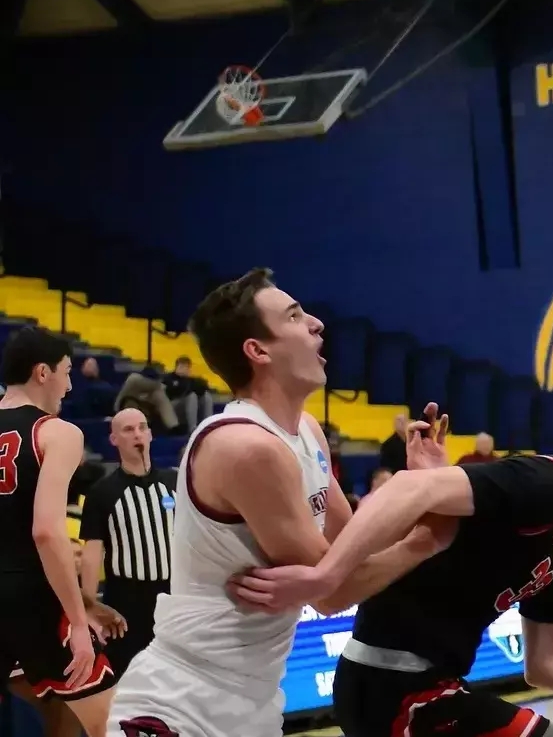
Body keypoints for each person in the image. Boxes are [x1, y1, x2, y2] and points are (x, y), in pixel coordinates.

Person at [230, 384, 553, 733]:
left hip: (419, 687)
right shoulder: (544, 482)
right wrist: (326, 574)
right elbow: (409, 486)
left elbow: (548, 663)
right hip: (394, 686)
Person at [109, 270, 448, 737]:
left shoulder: (308, 432)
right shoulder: (246, 446)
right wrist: (427, 540)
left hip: (255, 698)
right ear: (258, 350)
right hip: (183, 699)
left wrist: (420, 487)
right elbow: (332, 590)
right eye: (294, 315)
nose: (316, 324)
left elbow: (355, 544)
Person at [0, 328, 117, 735]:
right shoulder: (57, 432)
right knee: (111, 723)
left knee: (57, 720)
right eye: (67, 372)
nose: (70, 386)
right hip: (34, 597)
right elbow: (47, 533)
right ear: (42, 373)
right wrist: (79, 620)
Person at [80, 409, 177, 681]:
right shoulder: (102, 492)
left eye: (142, 427)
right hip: (127, 602)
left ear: (150, 434)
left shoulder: (173, 482)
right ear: (113, 439)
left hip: (173, 596)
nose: (137, 434)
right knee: (130, 679)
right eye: (128, 429)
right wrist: (89, 609)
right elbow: (91, 554)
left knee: (175, 678)